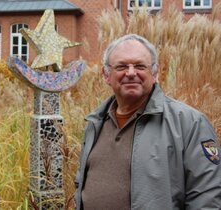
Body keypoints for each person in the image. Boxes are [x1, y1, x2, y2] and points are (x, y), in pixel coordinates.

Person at [75, 34, 221, 209]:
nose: (130, 73)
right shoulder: (95, 122)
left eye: (139, 66)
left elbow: (207, 196)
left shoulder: (189, 123)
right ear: (107, 75)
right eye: (121, 66)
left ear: (155, 73)